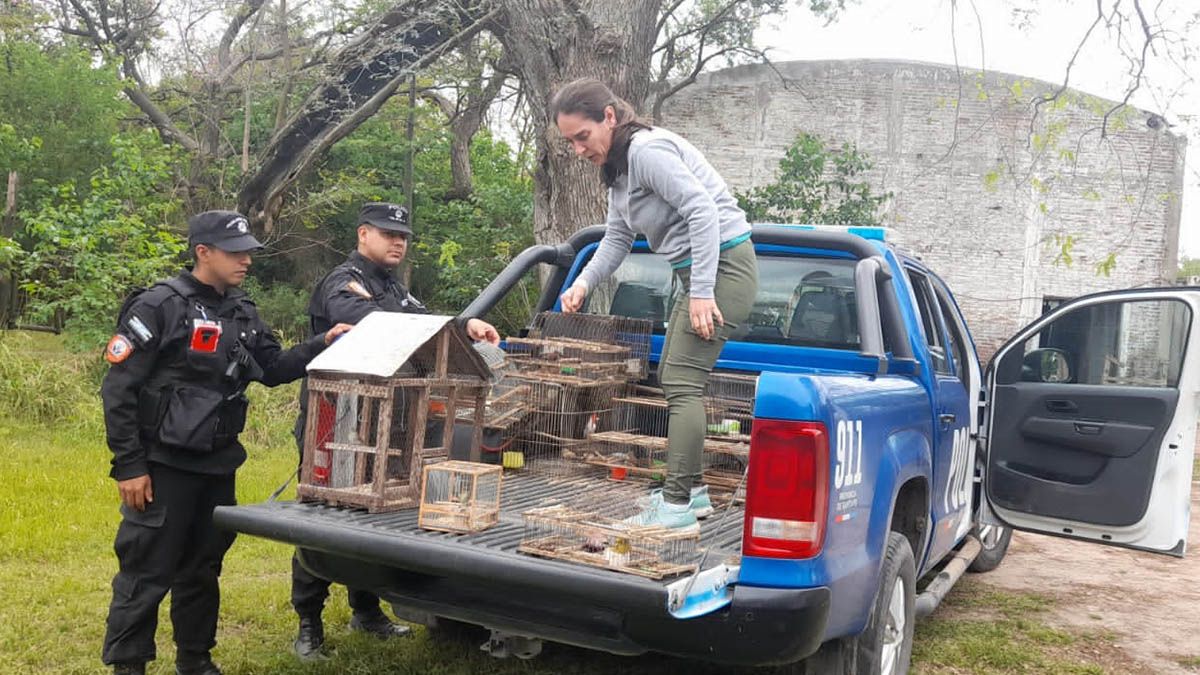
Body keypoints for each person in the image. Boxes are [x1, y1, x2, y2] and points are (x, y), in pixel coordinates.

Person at [100, 211, 353, 675]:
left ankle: (196, 659)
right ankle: (128, 665)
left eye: (249, 252)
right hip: (163, 466)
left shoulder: (242, 311)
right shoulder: (159, 306)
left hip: (218, 465)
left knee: (202, 568)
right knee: (147, 571)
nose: (246, 261)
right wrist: (129, 466)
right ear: (203, 252)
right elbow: (118, 390)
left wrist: (323, 342)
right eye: (236, 253)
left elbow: (273, 370)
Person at [290, 201, 500, 660]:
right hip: (337, 420)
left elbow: (423, 321)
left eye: (402, 236)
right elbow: (382, 327)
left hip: (389, 425)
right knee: (324, 513)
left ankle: (366, 609)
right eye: (388, 234)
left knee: (375, 515)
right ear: (363, 234)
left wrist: (465, 326)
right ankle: (308, 622)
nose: (397, 242)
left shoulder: (393, 287)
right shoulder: (342, 284)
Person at [551, 78, 759, 531]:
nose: (577, 150)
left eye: (581, 137)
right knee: (673, 376)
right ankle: (695, 491)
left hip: (723, 269)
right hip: (701, 273)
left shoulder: (647, 151)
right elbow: (617, 238)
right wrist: (584, 283)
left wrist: (702, 291)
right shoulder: (620, 171)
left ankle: (677, 504)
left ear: (609, 117)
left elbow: (702, 210)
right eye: (569, 142)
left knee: (681, 380)